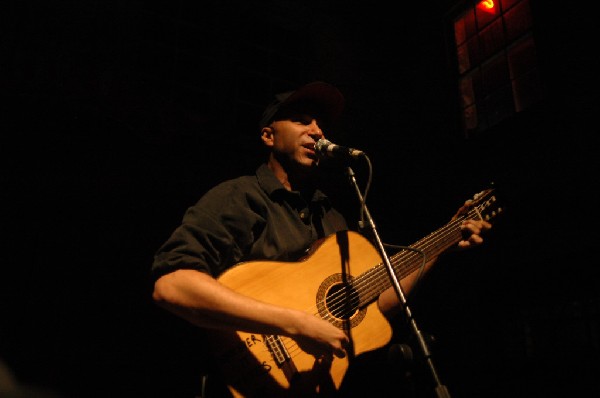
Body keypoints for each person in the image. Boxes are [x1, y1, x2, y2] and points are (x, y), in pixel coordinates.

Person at [150, 81, 492, 397]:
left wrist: (442, 241)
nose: (316, 130)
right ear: (269, 136)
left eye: (319, 124)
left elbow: (372, 305)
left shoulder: (331, 216)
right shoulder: (239, 197)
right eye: (300, 120)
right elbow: (172, 285)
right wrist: (295, 323)